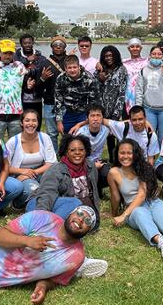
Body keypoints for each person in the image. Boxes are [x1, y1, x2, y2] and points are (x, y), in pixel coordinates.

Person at [25, 134, 108, 279]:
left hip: (68, 212)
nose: (77, 153)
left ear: (86, 151)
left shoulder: (90, 166)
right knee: (74, 204)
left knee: (77, 216)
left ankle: (62, 258)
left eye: (81, 150)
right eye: (72, 150)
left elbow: (93, 193)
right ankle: (40, 239)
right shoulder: (56, 170)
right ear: (66, 152)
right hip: (41, 205)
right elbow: (47, 194)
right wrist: (41, 218)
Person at [108, 138, 163, 260]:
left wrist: (123, 216)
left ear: (135, 154)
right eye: (122, 153)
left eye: (129, 153)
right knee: (140, 213)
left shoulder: (142, 167)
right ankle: (161, 243)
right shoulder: (113, 172)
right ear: (117, 154)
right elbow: (115, 196)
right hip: (133, 210)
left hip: (152, 202)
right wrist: (114, 214)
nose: (125, 156)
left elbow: (142, 194)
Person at [70, 105, 160, 165]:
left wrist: (148, 177)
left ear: (145, 118)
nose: (137, 122)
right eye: (134, 120)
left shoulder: (151, 135)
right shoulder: (123, 127)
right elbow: (99, 120)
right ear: (130, 120)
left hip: (141, 165)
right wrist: (80, 124)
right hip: (125, 164)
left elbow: (150, 159)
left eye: (141, 119)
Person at [6, 109, 57, 209]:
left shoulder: (44, 138)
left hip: (40, 172)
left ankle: (45, 203)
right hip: (19, 175)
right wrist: (24, 172)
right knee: (34, 189)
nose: (31, 123)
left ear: (38, 123)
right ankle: (17, 203)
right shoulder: (13, 142)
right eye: (27, 120)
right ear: (21, 123)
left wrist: (31, 173)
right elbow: (5, 167)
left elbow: (51, 163)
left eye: (34, 120)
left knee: (54, 184)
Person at [0, 39, 30, 140]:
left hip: (16, 113)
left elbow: (25, 86)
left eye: (10, 53)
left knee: (16, 144)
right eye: (5, 53)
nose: (8, 56)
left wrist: (28, 86)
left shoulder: (20, 67)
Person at [135, 46, 163, 139]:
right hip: (149, 109)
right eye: (154, 54)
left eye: (159, 54)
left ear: (162, 56)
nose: (156, 56)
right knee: (150, 136)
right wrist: (139, 108)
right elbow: (139, 90)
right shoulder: (143, 71)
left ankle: (162, 154)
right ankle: (150, 154)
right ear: (150, 55)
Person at [36, 35, 69, 151]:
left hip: (67, 104)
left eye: (61, 45)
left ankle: (67, 158)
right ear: (52, 47)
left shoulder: (70, 62)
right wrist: (43, 78)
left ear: (65, 47)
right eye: (55, 44)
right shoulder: (45, 63)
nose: (58, 47)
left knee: (67, 133)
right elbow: (38, 88)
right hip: (50, 103)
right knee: (51, 134)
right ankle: (53, 159)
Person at [94, 45, 127, 160]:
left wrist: (116, 113)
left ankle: (120, 158)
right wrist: (100, 79)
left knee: (119, 134)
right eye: (106, 56)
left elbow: (122, 92)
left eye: (111, 55)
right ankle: (111, 159)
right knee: (107, 136)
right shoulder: (99, 70)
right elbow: (94, 89)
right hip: (102, 108)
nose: (109, 58)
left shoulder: (122, 70)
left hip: (117, 109)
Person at [54, 55, 100, 135]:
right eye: (70, 68)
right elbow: (58, 100)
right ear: (65, 69)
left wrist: (88, 119)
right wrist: (59, 121)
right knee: (68, 140)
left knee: (83, 140)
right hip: (67, 113)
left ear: (79, 67)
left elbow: (93, 101)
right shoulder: (60, 78)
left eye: (74, 67)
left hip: (83, 114)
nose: (72, 70)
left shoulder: (89, 79)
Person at [75, 105, 111, 197]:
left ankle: (98, 189)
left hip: (98, 161)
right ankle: (89, 191)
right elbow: (75, 157)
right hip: (81, 164)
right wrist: (92, 166)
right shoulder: (80, 134)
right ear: (87, 118)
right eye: (92, 116)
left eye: (98, 115)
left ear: (103, 118)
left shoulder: (106, 130)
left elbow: (124, 124)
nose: (95, 119)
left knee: (110, 173)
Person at [14, 34, 46, 130]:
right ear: (21, 44)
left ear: (33, 43)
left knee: (37, 123)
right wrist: (27, 60)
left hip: (36, 96)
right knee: (24, 123)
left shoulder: (40, 57)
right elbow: (14, 71)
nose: (27, 45)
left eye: (29, 43)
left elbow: (42, 74)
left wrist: (31, 72)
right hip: (21, 97)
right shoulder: (16, 57)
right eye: (25, 43)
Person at [122, 38, 149, 115]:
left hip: (143, 94)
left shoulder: (147, 61)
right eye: (132, 46)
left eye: (137, 46)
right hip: (128, 96)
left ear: (141, 48)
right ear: (128, 48)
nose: (135, 49)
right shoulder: (123, 63)